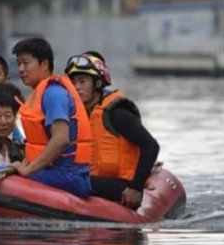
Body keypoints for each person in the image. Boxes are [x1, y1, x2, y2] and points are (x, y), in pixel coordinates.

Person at [65, 51, 160, 209]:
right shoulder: (78, 116)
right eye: (73, 83)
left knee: (72, 180)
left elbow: (150, 145)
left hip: (123, 185)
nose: (77, 88)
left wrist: (135, 188)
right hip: (95, 180)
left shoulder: (116, 114)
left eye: (82, 82)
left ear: (97, 84)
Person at [9, 37, 92, 198]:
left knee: (0, 175)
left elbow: (61, 139)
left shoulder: (53, 93)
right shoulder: (40, 92)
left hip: (69, 176)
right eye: (18, 63)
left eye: (26, 63)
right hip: (56, 172)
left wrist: (28, 170)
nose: (20, 68)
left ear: (44, 64)